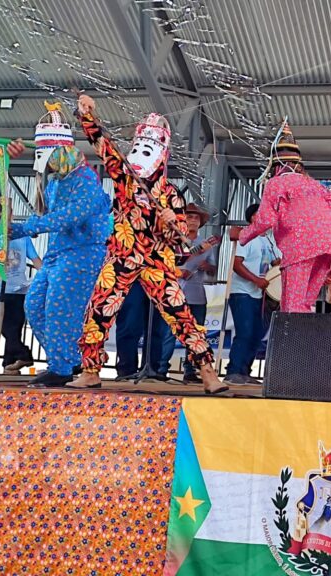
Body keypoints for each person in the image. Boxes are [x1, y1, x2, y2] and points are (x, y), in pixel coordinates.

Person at [73, 94, 226, 394]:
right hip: (122, 256)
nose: (141, 153)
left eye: (150, 147)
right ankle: (90, 371)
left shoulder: (171, 195)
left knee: (180, 314)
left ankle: (208, 373)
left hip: (157, 261)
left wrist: (172, 222)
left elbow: (181, 239)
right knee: (99, 308)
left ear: (162, 154)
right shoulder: (125, 177)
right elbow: (104, 147)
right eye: (139, 146)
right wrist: (88, 116)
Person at [11, 145, 111, 388]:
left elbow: (69, 216)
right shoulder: (55, 182)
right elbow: (47, 214)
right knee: (34, 305)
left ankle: (62, 367)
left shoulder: (87, 181)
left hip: (83, 252)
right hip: (57, 252)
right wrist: (18, 226)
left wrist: (25, 228)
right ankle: (70, 360)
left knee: (60, 309)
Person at [230, 121, 331, 313]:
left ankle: (292, 333)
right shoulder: (319, 187)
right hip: (330, 248)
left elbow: (265, 220)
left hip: (301, 247)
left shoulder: (277, 183)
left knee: (292, 306)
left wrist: (242, 235)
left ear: (276, 166)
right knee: (305, 304)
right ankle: (302, 333)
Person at [159, 203, 219, 383]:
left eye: (196, 218)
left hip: (197, 294)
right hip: (173, 293)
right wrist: (181, 269)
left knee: (196, 332)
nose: (193, 220)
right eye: (189, 217)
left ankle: (190, 370)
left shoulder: (206, 244)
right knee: (169, 332)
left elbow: (213, 271)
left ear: (200, 222)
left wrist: (207, 266)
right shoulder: (174, 240)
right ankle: (161, 368)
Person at [225, 203, 281, 386]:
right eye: (262, 214)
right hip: (242, 292)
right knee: (245, 332)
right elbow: (236, 264)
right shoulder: (247, 236)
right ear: (253, 218)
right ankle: (233, 371)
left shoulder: (269, 240)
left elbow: (275, 263)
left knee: (256, 334)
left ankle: (244, 371)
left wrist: (277, 264)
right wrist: (256, 280)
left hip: (259, 294)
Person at [0, 237, 41, 375]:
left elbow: (36, 259)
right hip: (0, 288)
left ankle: (14, 361)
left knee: (13, 329)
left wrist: (45, 276)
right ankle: (15, 359)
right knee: (4, 327)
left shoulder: (24, 238)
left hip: (19, 289)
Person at [114, 283, 170, 379]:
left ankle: (152, 369)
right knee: (129, 323)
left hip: (159, 281)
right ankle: (126, 370)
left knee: (157, 328)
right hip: (131, 280)